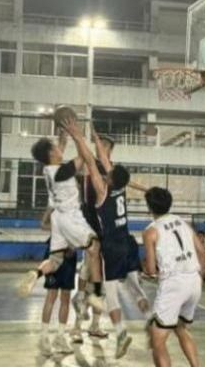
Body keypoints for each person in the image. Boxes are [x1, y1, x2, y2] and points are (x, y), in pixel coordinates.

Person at [63, 120, 138, 359]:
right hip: (109, 239)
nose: (101, 149)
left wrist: (77, 135)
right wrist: (90, 138)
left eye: (104, 146)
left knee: (95, 284)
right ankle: (81, 325)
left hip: (103, 240)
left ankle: (92, 322)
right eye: (100, 145)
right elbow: (91, 157)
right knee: (96, 285)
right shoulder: (114, 177)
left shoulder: (105, 181)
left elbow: (89, 156)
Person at [17, 127, 103, 314]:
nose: (59, 148)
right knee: (95, 248)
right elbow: (84, 156)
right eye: (55, 147)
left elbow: (59, 151)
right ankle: (95, 295)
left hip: (57, 218)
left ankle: (36, 273)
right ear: (51, 153)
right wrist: (77, 136)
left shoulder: (48, 169)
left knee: (54, 261)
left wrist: (63, 137)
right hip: (70, 217)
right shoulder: (63, 171)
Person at [143, 187, 205, 368]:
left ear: (149, 207)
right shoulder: (182, 222)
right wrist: (199, 277)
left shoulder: (151, 231)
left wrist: (147, 269)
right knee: (180, 328)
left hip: (174, 285)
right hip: (194, 281)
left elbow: (150, 270)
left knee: (157, 341)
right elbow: (202, 252)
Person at [38, 209, 76, 357]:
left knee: (65, 298)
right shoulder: (56, 206)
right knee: (51, 296)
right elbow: (43, 225)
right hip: (54, 253)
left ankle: (60, 337)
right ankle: (44, 337)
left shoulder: (76, 210)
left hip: (69, 257)